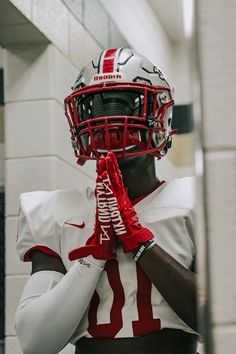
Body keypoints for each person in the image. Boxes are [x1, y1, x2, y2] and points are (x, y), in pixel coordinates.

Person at [15, 48, 198, 354]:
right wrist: (93, 257)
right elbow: (36, 342)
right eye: (97, 110)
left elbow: (219, 317)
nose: (111, 121)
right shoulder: (56, 211)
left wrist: (142, 244)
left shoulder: (193, 200)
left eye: (125, 106)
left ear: (160, 116)